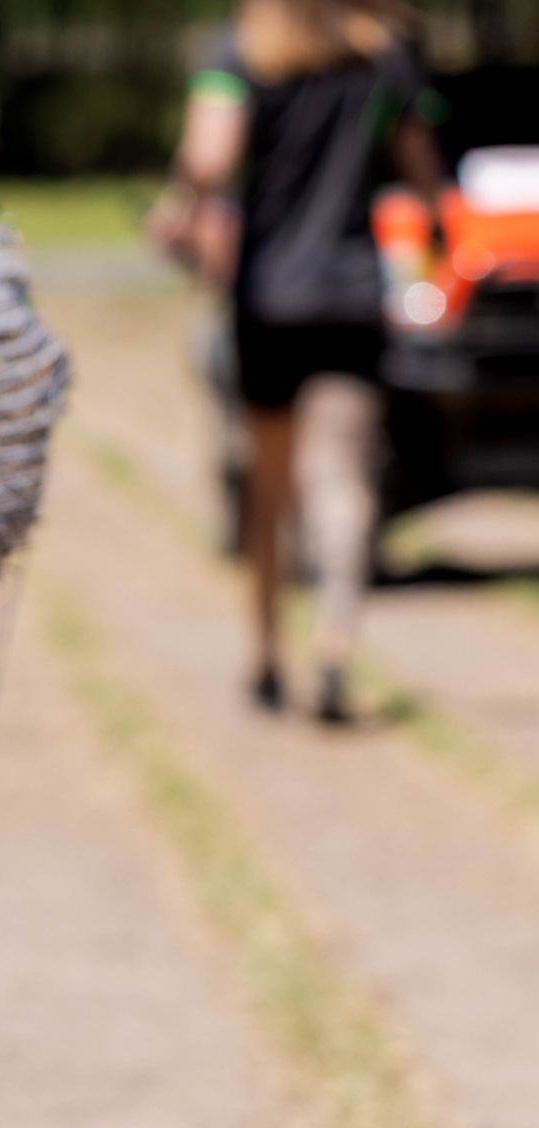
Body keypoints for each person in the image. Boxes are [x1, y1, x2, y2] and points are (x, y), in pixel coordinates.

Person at [153, 0, 446, 721]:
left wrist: (179, 211)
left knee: (270, 482)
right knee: (342, 469)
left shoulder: (237, 53)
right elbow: (426, 177)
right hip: (351, 294)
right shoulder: (383, 59)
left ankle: (265, 653)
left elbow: (209, 161)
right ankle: (336, 642)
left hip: (269, 299)